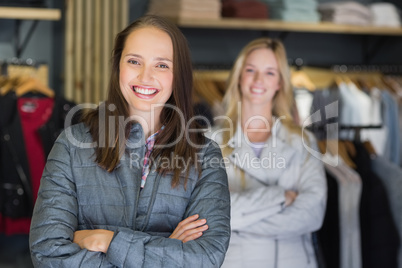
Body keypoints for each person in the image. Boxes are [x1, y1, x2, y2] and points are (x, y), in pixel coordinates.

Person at [29, 15, 230, 267]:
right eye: (134, 61)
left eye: (162, 65)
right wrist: (167, 247)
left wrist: (108, 241)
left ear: (178, 75)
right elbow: (48, 253)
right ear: (118, 66)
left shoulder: (205, 154)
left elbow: (206, 257)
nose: (145, 76)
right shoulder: (71, 144)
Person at [207, 37, 327, 268]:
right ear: (239, 76)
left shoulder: (303, 141)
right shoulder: (208, 140)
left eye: (270, 72)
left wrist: (232, 218)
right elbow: (205, 214)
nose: (258, 80)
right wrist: (281, 197)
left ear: (280, 82)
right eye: (251, 70)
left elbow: (311, 215)